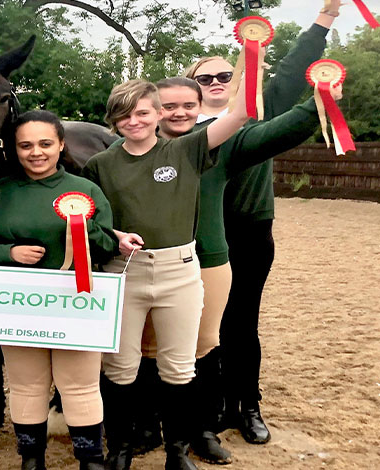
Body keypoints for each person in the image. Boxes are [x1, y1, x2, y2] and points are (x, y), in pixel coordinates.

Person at [134, 77, 335, 464]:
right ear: (154, 109)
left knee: (206, 350)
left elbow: (282, 130)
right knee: (148, 350)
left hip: (205, 260)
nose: (178, 113)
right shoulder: (124, 151)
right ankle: (146, 424)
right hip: (148, 265)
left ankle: (204, 429)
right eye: (168, 106)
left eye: (187, 106)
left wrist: (318, 101)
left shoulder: (218, 146)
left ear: (200, 108)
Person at [184, 0, 338, 445]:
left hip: (249, 231)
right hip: (196, 235)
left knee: (241, 322)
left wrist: (323, 19)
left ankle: (246, 406)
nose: (215, 83)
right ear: (191, 88)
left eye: (223, 76)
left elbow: (292, 70)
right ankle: (208, 404)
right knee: (199, 324)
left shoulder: (256, 109)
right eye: (204, 78)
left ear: (236, 79)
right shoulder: (178, 130)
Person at [81, 78, 249, 470]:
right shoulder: (100, 165)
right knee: (120, 366)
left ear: (158, 113)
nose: (134, 121)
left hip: (180, 272)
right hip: (125, 272)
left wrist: (252, 56)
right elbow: (92, 222)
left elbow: (240, 113)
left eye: (142, 112)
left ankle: (177, 451)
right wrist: (115, 236)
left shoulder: (187, 148)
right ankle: (120, 449)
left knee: (179, 366)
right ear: (113, 120)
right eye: (124, 114)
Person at [0, 110, 118, 470]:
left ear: (61, 144)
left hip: (77, 300)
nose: (36, 152)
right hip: (19, 303)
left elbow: (108, 245)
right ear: (15, 150)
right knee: (26, 386)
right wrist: (7, 252)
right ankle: (31, 460)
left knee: (80, 386)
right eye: (26, 145)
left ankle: (90, 459)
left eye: (45, 143)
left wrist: (82, 231)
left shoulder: (86, 190)